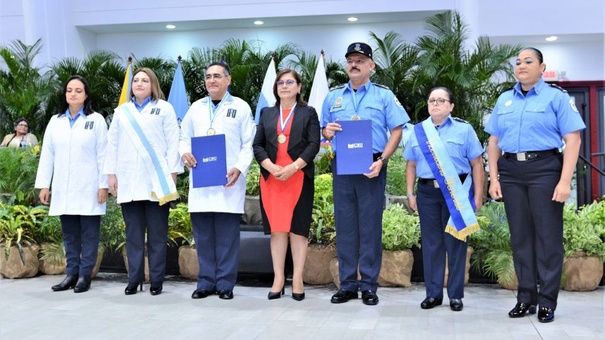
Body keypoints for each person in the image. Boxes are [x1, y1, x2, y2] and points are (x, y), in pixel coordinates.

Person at [485, 47, 585, 323]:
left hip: (545, 170)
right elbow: (493, 142)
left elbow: (573, 140)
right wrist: (494, 178)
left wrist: (565, 181)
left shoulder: (556, 98)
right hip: (511, 171)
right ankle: (525, 297)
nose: (521, 66)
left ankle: (547, 301)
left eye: (528, 61)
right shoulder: (504, 100)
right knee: (520, 238)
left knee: (547, 237)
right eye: (517, 62)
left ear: (542, 67)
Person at [321, 42, 409, 306]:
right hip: (343, 167)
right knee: (346, 227)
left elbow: (397, 130)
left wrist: (383, 159)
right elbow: (324, 131)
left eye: (360, 60)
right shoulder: (333, 96)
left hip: (373, 166)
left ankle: (369, 285)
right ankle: (347, 285)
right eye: (350, 60)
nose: (354, 64)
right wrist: (327, 133)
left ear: (371, 65)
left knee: (370, 227)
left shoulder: (383, 95)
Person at [403, 87, 484, 312]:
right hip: (427, 193)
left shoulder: (464, 130)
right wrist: (410, 193)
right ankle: (433, 294)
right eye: (431, 100)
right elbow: (410, 165)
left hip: (456, 193)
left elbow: (477, 164)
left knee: (457, 244)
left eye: (441, 100)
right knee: (431, 245)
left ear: (451, 106)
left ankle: (456, 295)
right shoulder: (418, 132)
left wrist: (478, 196)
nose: (435, 104)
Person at [180, 62, 256, 300]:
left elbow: (249, 143)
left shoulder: (241, 107)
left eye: (217, 76)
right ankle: (205, 282)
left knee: (226, 238)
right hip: (201, 183)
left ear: (228, 80)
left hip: (228, 182)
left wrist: (239, 167)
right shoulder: (195, 108)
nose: (212, 80)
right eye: (209, 77)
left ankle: (224, 284)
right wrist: (184, 153)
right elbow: (183, 138)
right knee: (203, 237)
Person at [104, 67, 181, 296]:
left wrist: (172, 176)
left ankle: (156, 281)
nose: (139, 83)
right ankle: (134, 279)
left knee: (157, 236)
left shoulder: (164, 109)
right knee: (133, 236)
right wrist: (111, 174)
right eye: (136, 80)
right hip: (128, 181)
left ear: (153, 84)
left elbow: (173, 143)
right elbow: (113, 145)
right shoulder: (121, 112)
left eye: (144, 80)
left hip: (157, 183)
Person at [35, 75, 108, 293]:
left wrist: (103, 185)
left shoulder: (96, 121)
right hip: (63, 188)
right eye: (69, 90)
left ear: (86, 95)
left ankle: (85, 275)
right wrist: (44, 185)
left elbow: (103, 155)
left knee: (89, 234)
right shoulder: (55, 121)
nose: (73, 94)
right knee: (70, 235)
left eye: (78, 90)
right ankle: (71, 273)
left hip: (89, 187)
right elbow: (47, 154)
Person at [253, 69, 320, 301]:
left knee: (298, 232)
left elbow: (313, 145)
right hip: (272, 178)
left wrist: (293, 167)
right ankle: (279, 279)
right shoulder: (267, 113)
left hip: (298, 176)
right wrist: (270, 167)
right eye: (280, 82)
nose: (284, 86)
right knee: (277, 231)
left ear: (299, 87)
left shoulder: (308, 112)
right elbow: (257, 145)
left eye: (290, 82)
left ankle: (298, 279)